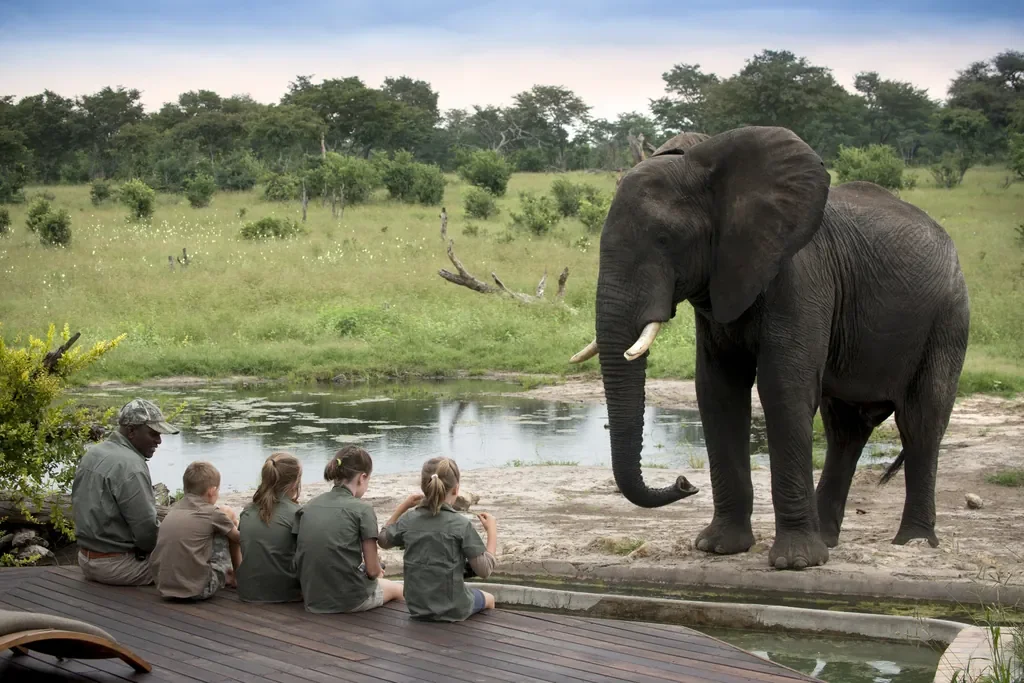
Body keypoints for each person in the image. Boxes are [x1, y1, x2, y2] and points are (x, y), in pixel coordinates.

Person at [72, 398, 179, 586]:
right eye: (153, 433)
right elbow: (147, 533)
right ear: (131, 431)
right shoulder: (131, 466)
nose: (159, 440)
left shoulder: (93, 453)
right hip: (118, 567)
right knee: (193, 565)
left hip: (86, 560)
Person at [378, 457, 497, 622]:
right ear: (456, 490)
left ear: (423, 487)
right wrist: (492, 531)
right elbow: (485, 570)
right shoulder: (461, 524)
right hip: (453, 607)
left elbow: (383, 540)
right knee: (489, 599)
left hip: (417, 607)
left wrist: (403, 507)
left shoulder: (408, 520)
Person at [293, 445, 403, 614]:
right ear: (362, 477)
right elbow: (373, 571)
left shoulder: (309, 506)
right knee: (398, 590)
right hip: (348, 600)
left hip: (312, 597)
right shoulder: (362, 510)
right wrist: (375, 570)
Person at [150, 461, 241, 600]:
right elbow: (239, 538)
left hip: (164, 587)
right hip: (198, 590)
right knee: (228, 518)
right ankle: (237, 576)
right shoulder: (212, 513)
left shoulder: (174, 511)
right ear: (212, 491)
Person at [236, 452, 303, 603]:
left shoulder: (247, 511)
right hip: (286, 594)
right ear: (294, 483)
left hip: (247, 592)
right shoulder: (297, 514)